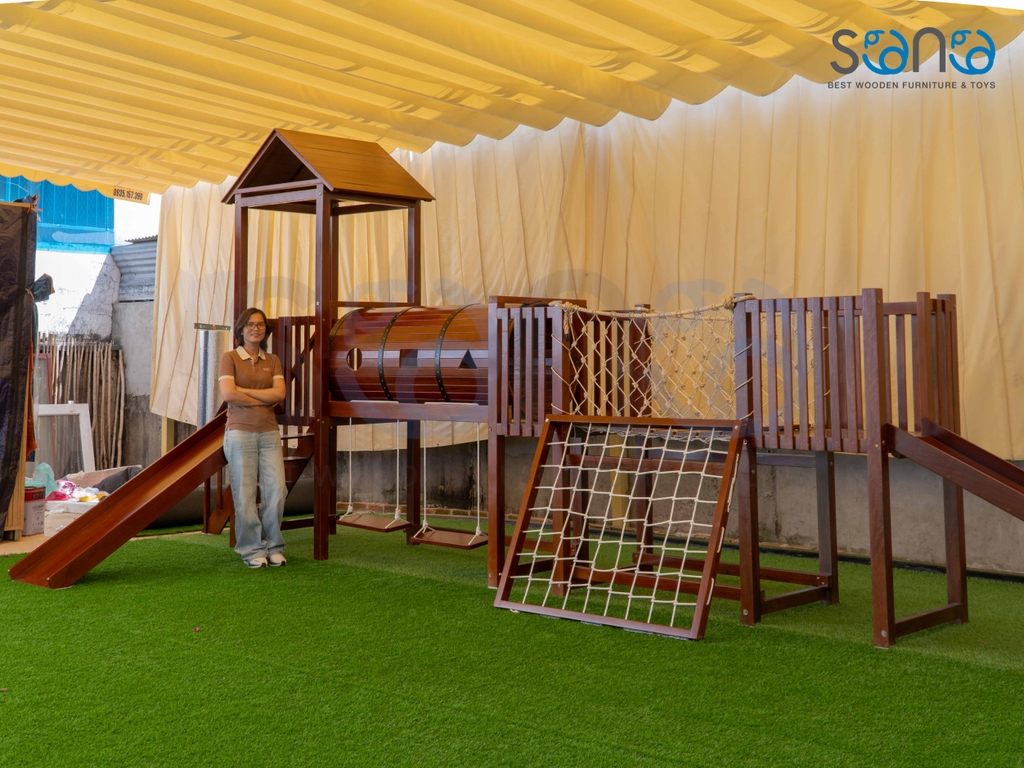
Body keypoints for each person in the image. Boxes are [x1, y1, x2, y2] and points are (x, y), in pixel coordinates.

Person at [218, 307, 288, 568]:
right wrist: (264, 397)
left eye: (260, 325)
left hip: (269, 433)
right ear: (241, 329)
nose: (255, 329)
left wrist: (244, 391)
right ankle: (251, 550)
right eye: (250, 324)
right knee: (245, 494)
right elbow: (229, 395)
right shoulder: (229, 358)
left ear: (265, 330)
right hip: (240, 433)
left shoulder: (273, 360)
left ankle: (274, 546)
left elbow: (279, 394)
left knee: (277, 490)